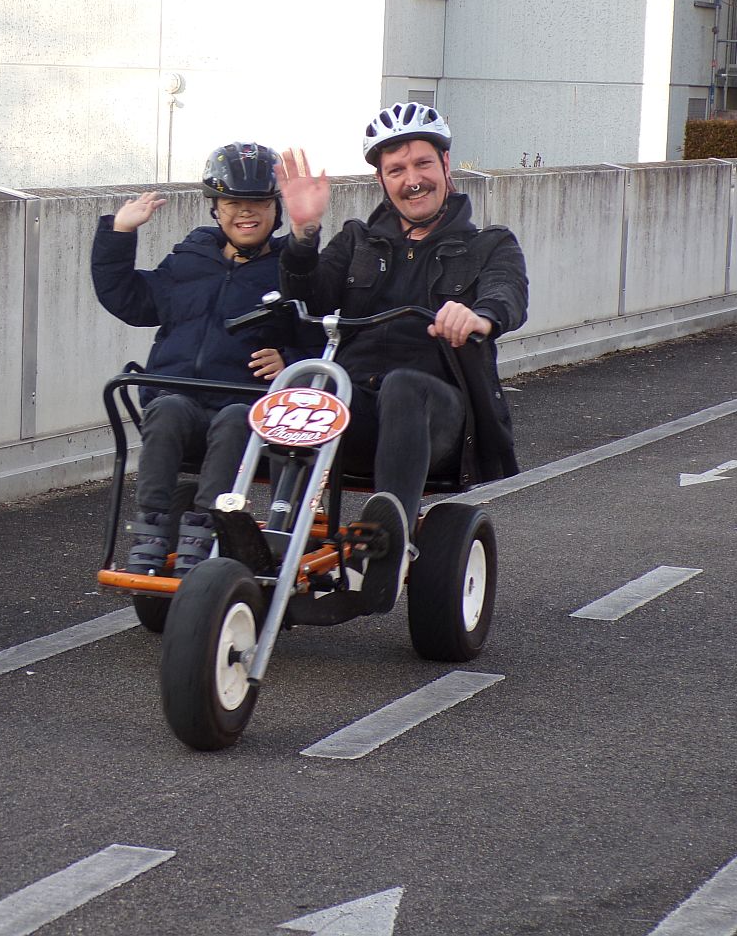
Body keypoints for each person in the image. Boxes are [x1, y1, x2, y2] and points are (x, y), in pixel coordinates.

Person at [275, 102, 528, 611]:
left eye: (422, 164)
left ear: (446, 167)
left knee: (403, 385)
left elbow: (508, 296)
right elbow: (309, 299)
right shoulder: (356, 241)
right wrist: (303, 235)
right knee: (312, 389)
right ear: (382, 181)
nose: (412, 180)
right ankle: (276, 533)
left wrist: (477, 317)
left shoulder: (489, 246)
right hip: (360, 410)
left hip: (441, 416)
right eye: (396, 170)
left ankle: (389, 542)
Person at [92, 141, 306, 576]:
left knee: (232, 419)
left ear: (275, 207)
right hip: (181, 398)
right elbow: (130, 300)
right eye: (232, 202)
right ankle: (151, 527)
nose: (245, 213)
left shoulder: (292, 269)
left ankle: (207, 524)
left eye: (258, 202)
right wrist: (119, 233)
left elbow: (323, 332)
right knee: (167, 409)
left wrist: (291, 359)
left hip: (245, 408)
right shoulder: (190, 259)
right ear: (215, 208)